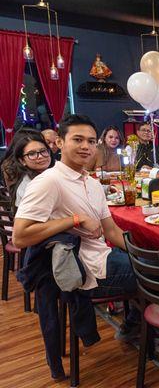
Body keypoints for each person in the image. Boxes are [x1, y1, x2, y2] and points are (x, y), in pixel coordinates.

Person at [12, 114, 140, 341]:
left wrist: (139, 254)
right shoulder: (49, 181)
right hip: (83, 269)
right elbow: (20, 237)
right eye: (78, 139)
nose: (86, 146)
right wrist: (75, 219)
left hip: (101, 256)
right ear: (60, 143)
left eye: (91, 141)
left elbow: (111, 231)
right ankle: (147, 330)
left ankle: (136, 325)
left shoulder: (91, 183)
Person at [9, 135, 53, 208]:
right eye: (31, 154)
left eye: (43, 151)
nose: (40, 156)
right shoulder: (29, 185)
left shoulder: (53, 173)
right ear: (22, 161)